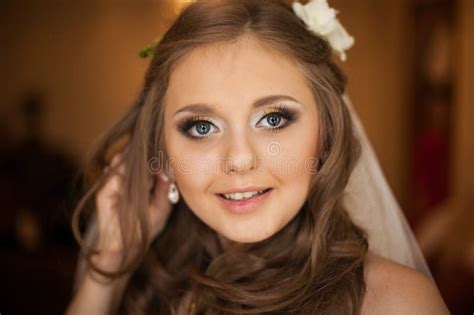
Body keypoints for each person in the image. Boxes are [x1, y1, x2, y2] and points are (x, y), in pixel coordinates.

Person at [66, 0, 450, 314]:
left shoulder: (397, 303)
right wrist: (109, 272)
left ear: (326, 132)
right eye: (201, 127)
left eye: (273, 118)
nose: (239, 159)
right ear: (163, 151)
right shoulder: (147, 284)